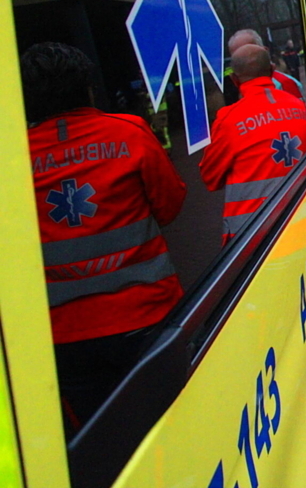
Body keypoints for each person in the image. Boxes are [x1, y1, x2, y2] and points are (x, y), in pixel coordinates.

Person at [22, 42, 187, 430]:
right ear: (88, 88)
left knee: (104, 438)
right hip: (147, 315)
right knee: (175, 420)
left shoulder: (12, 158)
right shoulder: (128, 133)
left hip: (65, 334)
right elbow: (169, 207)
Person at [200, 44, 306, 244]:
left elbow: (210, 177)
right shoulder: (298, 105)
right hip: (302, 219)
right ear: (272, 70)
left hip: (251, 236)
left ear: (234, 80)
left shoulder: (229, 120)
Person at [228, 29, 304, 101]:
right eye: (237, 57)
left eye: (249, 53)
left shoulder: (285, 83)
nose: (243, 60)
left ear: (265, 51)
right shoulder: (230, 89)